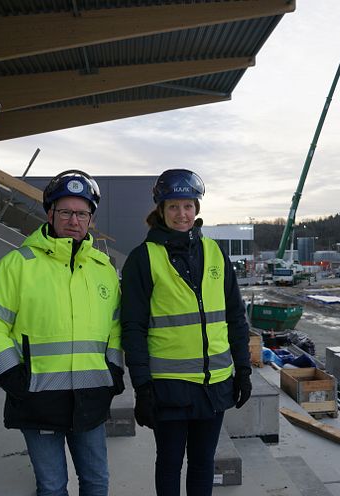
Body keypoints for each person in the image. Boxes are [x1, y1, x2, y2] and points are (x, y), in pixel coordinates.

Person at [0, 170, 124, 496]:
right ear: (50, 213)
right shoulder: (17, 265)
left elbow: (115, 327)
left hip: (91, 398)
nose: (74, 220)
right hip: (37, 398)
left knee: (97, 483)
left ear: (91, 219)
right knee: (52, 487)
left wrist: (114, 369)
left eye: (82, 213)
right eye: (66, 211)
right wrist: (12, 374)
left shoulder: (104, 270)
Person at [120, 169, 252, 496]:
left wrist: (244, 369)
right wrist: (142, 387)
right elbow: (133, 328)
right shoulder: (143, 259)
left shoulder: (215, 254)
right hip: (169, 388)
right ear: (160, 211)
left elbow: (235, 316)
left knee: (203, 462)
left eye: (188, 206)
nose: (182, 214)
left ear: (197, 209)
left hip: (216, 385)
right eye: (173, 207)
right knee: (168, 463)